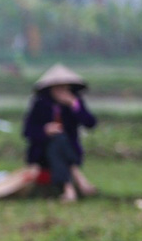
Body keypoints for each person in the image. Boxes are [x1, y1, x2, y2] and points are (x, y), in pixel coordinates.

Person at [20, 64, 98, 202]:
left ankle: (68, 189)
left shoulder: (75, 103)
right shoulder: (40, 104)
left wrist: (75, 105)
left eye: (65, 88)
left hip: (67, 150)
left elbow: (90, 123)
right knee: (57, 139)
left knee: (59, 140)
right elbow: (27, 131)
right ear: (50, 89)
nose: (62, 91)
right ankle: (77, 178)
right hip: (41, 153)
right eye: (58, 88)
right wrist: (45, 130)